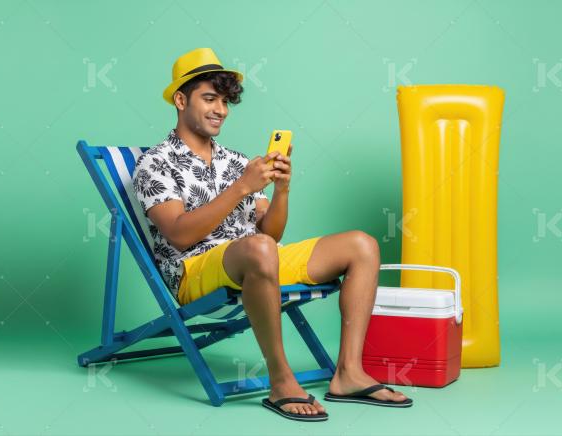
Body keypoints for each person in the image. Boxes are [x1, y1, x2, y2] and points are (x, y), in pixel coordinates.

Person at [132, 48, 410, 421]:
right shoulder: (155, 162)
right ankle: (281, 380)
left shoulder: (236, 161)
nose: (221, 110)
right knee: (259, 249)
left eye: (226, 101)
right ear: (181, 100)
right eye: (210, 98)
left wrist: (282, 190)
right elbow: (179, 236)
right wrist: (241, 189)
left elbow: (271, 233)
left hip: (256, 256)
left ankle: (348, 373)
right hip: (194, 271)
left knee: (362, 245)